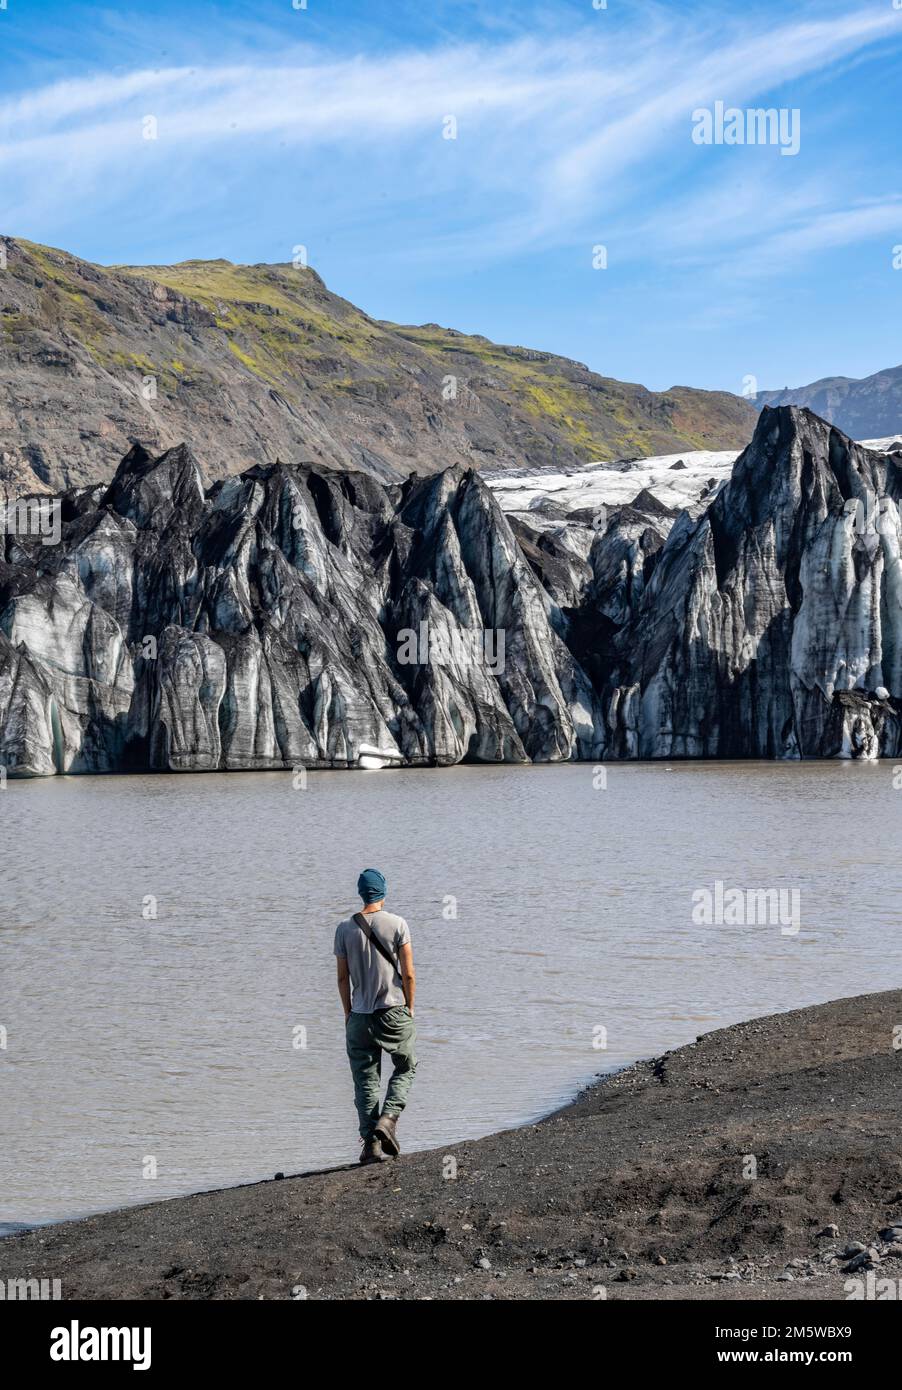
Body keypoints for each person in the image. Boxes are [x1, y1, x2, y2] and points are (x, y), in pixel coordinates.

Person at [334, 868, 417, 1164]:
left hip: (359, 1015)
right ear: (383, 891)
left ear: (361, 892)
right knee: (406, 1066)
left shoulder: (344, 928)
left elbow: (342, 979)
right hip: (393, 1010)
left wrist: (348, 1012)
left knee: (365, 1080)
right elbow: (407, 972)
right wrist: (410, 1006)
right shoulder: (398, 924)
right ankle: (389, 1119)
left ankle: (370, 1146)